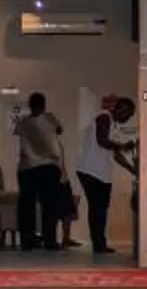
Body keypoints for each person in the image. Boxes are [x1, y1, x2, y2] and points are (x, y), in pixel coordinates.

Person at [78, 94, 137, 253]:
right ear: (121, 108)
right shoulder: (104, 118)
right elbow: (102, 141)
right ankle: (98, 244)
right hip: (91, 171)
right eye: (128, 113)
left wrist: (133, 169)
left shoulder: (114, 126)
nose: (129, 117)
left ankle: (100, 243)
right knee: (97, 209)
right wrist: (122, 146)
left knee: (100, 209)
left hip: (101, 173)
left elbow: (116, 155)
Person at [11, 91, 65, 253]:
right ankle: (50, 241)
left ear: (30, 105)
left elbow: (16, 132)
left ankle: (27, 241)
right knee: (50, 205)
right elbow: (60, 130)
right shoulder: (50, 118)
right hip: (48, 166)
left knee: (26, 205)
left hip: (27, 167)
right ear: (43, 105)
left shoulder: (23, 122)